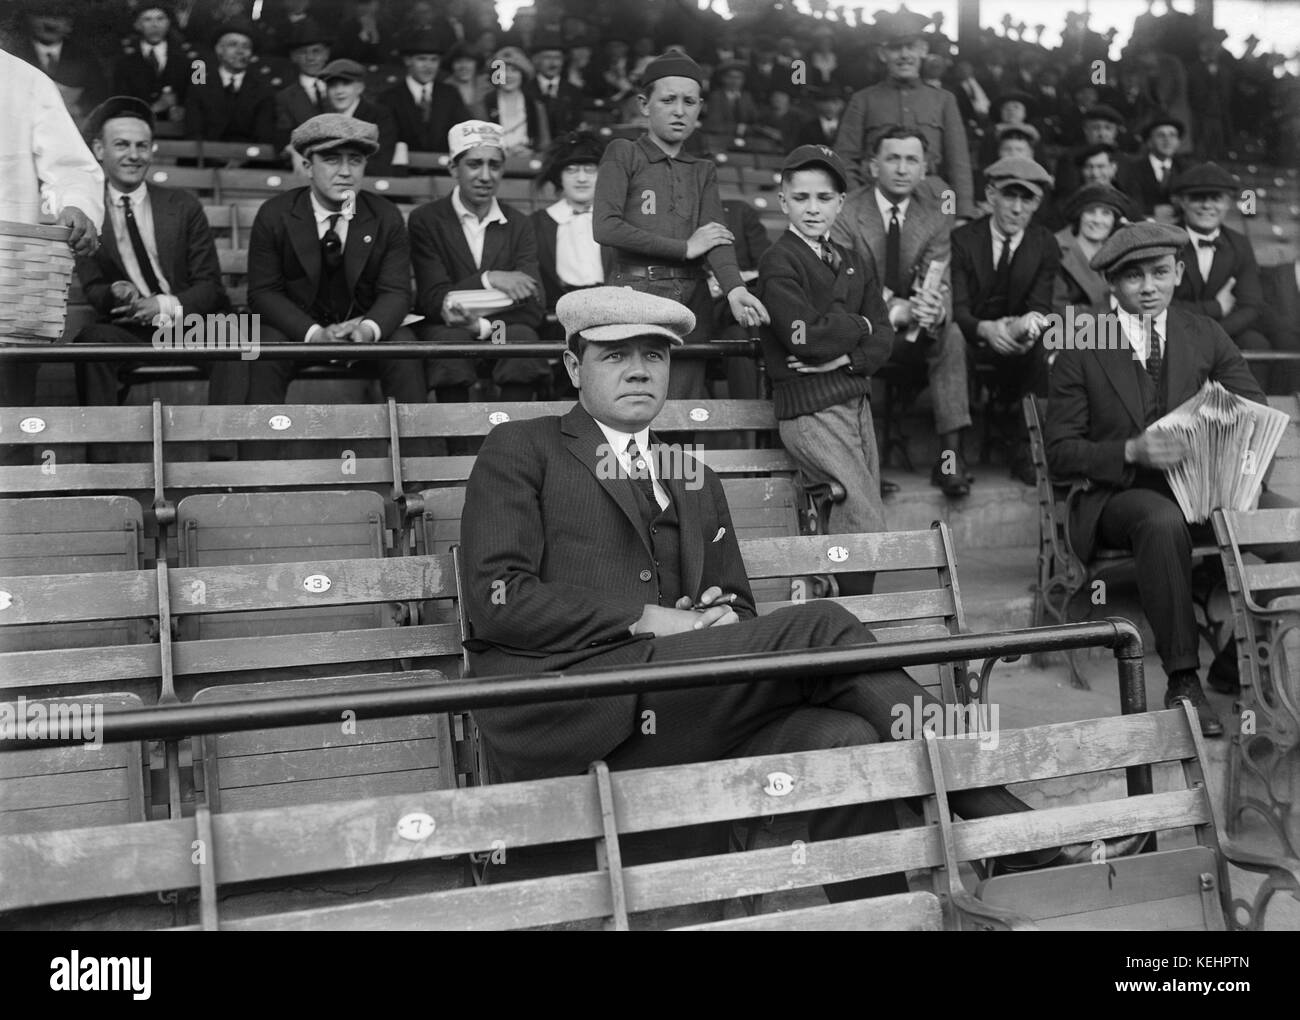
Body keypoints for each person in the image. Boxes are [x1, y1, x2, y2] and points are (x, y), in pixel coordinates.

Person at [461, 284, 1139, 899]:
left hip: (685, 710)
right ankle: (1014, 830)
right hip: (573, 708)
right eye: (615, 356)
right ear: (574, 365)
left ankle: (890, 915)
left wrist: (713, 615)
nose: (640, 369)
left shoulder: (695, 477)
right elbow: (499, 599)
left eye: (654, 355)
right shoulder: (525, 450)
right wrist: (646, 618)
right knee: (820, 624)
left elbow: (741, 614)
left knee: (845, 733)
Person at [1044, 222, 1292, 736]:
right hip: (1120, 495)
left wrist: (1238, 477)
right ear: (1112, 283)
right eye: (1133, 277)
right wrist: (1132, 450)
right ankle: (1184, 679)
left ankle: (1233, 662)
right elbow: (1061, 453)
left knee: (1287, 527)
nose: (1149, 287)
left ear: (1179, 272)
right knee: (1160, 520)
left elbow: (1256, 413)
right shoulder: (1081, 339)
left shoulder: (1202, 331)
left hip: (1205, 489)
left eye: (1160, 272)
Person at [757, 145, 894, 595]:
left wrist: (850, 357)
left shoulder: (854, 257)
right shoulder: (780, 260)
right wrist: (861, 324)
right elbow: (804, 339)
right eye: (800, 198)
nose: (812, 208)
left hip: (854, 401)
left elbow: (886, 336)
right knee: (864, 516)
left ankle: (835, 605)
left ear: (840, 203)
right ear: (783, 202)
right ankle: (850, 623)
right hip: (810, 409)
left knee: (863, 512)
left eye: (823, 197)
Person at [593, 51, 769, 400]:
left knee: (684, 405)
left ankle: (679, 458)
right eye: (668, 100)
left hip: (692, 300)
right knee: (637, 401)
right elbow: (606, 228)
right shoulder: (623, 152)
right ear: (644, 104)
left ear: (700, 107)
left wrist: (734, 289)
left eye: (689, 102)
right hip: (635, 292)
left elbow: (716, 238)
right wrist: (685, 248)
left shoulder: (703, 169)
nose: (679, 110)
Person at [227, 114, 425, 411]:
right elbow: (264, 293)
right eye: (332, 160)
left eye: (355, 161)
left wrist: (367, 331)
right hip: (298, 331)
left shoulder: (385, 216)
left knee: (404, 344)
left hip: (361, 329)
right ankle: (259, 455)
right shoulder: (275, 214)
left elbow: (396, 292)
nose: (345, 172)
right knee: (263, 347)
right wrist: (315, 334)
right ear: (308, 166)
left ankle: (417, 452)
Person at [830, 127, 969, 499]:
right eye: (893, 158)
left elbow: (939, 276)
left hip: (910, 333)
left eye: (912, 160)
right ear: (874, 166)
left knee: (951, 334)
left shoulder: (935, 215)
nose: (903, 168)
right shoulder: (847, 211)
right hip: (863, 325)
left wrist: (934, 306)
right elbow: (843, 284)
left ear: (924, 169)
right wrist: (894, 307)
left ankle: (950, 459)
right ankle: (861, 466)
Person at [72, 96, 227, 415]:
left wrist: (164, 305)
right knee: (90, 341)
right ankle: (103, 454)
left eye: (142, 146)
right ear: (100, 150)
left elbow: (210, 286)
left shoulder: (182, 205)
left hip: (191, 326)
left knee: (237, 336)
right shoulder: (90, 211)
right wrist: (115, 293)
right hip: (132, 331)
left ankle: (224, 456)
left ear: (152, 151)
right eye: (122, 145)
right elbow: (94, 288)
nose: (133, 155)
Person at [409, 120, 549, 406]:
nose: (485, 175)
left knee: (523, 336)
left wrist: (480, 325)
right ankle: (458, 445)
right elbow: (435, 300)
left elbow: (533, 303)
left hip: (500, 329)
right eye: (474, 164)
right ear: (453, 169)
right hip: (448, 329)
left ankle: (511, 440)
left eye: (494, 165)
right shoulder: (426, 219)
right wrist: (491, 279)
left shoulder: (518, 223)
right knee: (448, 342)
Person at [0, 48, 103, 415]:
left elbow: (69, 165)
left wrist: (75, 204)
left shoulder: (23, 80)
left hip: (6, 287)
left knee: (8, 422)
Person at [949, 157, 1060, 485]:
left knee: (1046, 345)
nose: (1016, 208)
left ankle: (1026, 451)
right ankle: (953, 457)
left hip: (1017, 337)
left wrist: (1025, 327)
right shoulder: (963, 240)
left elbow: (1041, 306)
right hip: (971, 338)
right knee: (950, 338)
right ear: (991, 195)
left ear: (1037, 204)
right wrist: (986, 329)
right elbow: (957, 307)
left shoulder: (1045, 244)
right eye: (1009, 196)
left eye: (1027, 199)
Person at [834, 9, 975, 220]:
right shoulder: (863, 100)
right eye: (895, 48)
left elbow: (958, 164)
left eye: (911, 47)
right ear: (883, 54)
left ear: (923, 50)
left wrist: (960, 214)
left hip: (932, 204)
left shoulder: (944, 100)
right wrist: (858, 204)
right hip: (874, 205)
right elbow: (844, 159)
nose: (904, 55)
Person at [1168, 162, 1272, 385]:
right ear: (1183, 202)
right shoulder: (1164, 241)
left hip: (1223, 331)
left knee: (1256, 343)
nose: (1207, 205)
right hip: (1173, 330)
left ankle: (1254, 413)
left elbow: (1251, 305)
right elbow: (1161, 303)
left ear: (1227, 203)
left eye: (1216, 198)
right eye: (1197, 198)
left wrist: (1215, 334)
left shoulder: (1240, 244)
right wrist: (1216, 307)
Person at [530, 131, 609, 344]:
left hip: (612, 318)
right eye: (571, 170)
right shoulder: (537, 224)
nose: (581, 178)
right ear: (559, 177)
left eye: (590, 170)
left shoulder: (618, 222)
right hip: (557, 324)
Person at [185, 18, 277, 144]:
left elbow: (264, 135)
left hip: (250, 160)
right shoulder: (200, 86)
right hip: (205, 159)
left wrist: (240, 160)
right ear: (219, 50)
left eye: (246, 46)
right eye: (233, 45)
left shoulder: (263, 88)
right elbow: (194, 132)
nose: (240, 51)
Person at [378, 31, 469, 157]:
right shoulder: (389, 98)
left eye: (434, 60)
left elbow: (463, 134)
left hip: (444, 171)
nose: (428, 66)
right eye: (422, 59)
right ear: (408, 61)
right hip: (403, 172)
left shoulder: (450, 94)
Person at [1052, 183, 1135, 317]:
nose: (1098, 220)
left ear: (1114, 220)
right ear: (1079, 215)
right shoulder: (1056, 250)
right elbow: (1058, 310)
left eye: (1106, 213)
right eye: (1091, 212)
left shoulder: (1119, 253)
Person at [111, 4, 192, 125]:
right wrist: (154, 108)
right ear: (137, 25)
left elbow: (200, 88)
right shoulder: (122, 60)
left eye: (160, 19)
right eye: (147, 19)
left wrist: (185, 109)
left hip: (179, 129)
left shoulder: (192, 58)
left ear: (169, 23)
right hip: (136, 127)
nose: (155, 25)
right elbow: (118, 100)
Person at [316, 59, 397, 176]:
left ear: (360, 87)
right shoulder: (321, 118)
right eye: (333, 86)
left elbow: (381, 162)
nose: (339, 91)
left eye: (345, 84)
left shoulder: (379, 116)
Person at [272, 18, 332, 154]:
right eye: (303, 52)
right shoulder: (284, 98)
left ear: (326, 54)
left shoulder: (342, 91)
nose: (310, 58)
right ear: (293, 57)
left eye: (316, 51)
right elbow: (285, 138)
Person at [1117, 114, 1190, 220]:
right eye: (1161, 135)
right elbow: (1130, 203)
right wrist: (1152, 210)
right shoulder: (1133, 169)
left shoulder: (1185, 168)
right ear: (1149, 142)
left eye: (1172, 135)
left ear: (1178, 142)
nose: (1167, 140)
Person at [485, 46, 548, 156]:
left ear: (522, 75)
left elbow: (545, 145)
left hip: (527, 165)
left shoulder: (536, 105)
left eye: (514, 71)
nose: (508, 76)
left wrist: (531, 153)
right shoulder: (483, 104)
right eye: (503, 70)